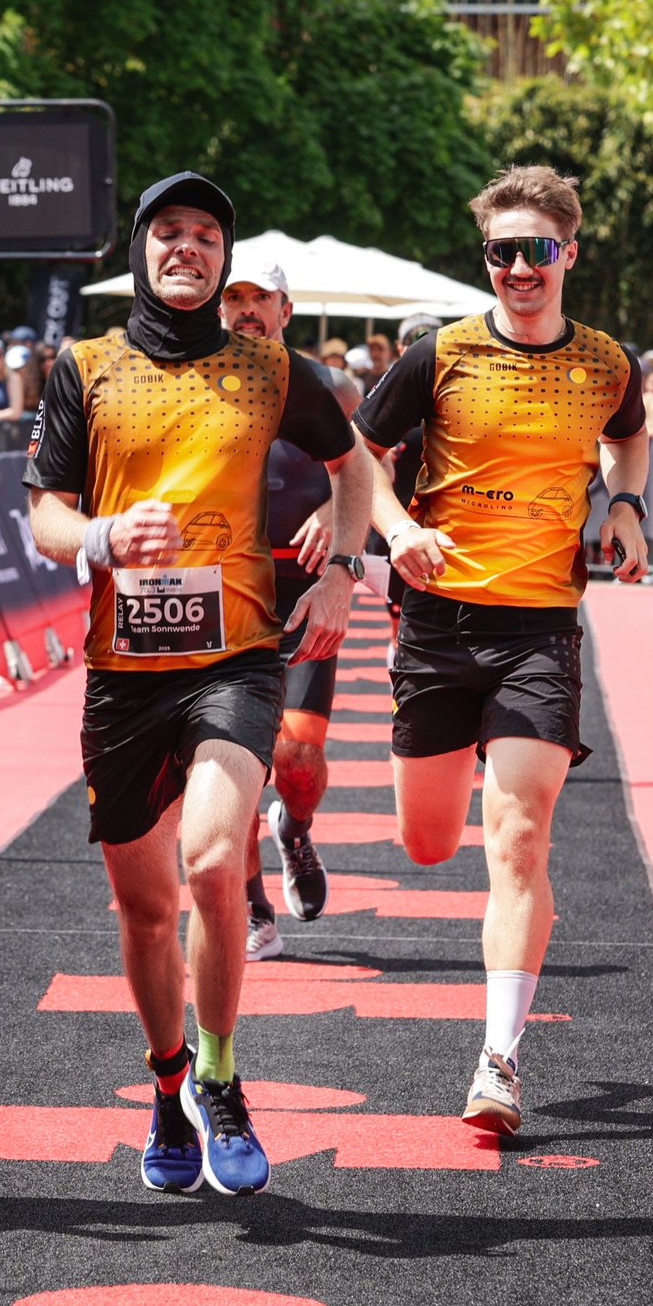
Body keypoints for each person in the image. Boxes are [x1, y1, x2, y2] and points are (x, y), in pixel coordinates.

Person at [26, 173, 368, 1198]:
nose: (187, 247)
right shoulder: (82, 367)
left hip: (237, 655)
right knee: (142, 908)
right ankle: (167, 1083)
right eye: (169, 232)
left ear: (225, 258)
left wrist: (344, 571)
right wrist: (99, 535)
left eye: (206, 235)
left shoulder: (272, 371)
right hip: (123, 671)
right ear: (142, 249)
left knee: (215, 859)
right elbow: (42, 515)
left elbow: (353, 468)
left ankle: (220, 1077)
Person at [351, 163, 648, 1140]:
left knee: (518, 838)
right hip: (436, 624)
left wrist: (627, 505)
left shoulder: (606, 361)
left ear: (570, 251)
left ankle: (499, 1059)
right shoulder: (438, 355)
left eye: (537, 250)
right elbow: (362, 454)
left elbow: (627, 437)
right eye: (501, 252)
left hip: (539, 627)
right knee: (428, 841)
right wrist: (394, 531)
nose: (519, 268)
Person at [216, 261, 349, 960]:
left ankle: (295, 830)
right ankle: (252, 906)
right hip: (221, 596)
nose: (245, 310)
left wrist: (333, 514)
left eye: (258, 298)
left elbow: (367, 471)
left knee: (297, 756)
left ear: (285, 308)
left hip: (301, 594)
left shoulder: (324, 385)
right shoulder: (189, 382)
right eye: (233, 297)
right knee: (231, 763)